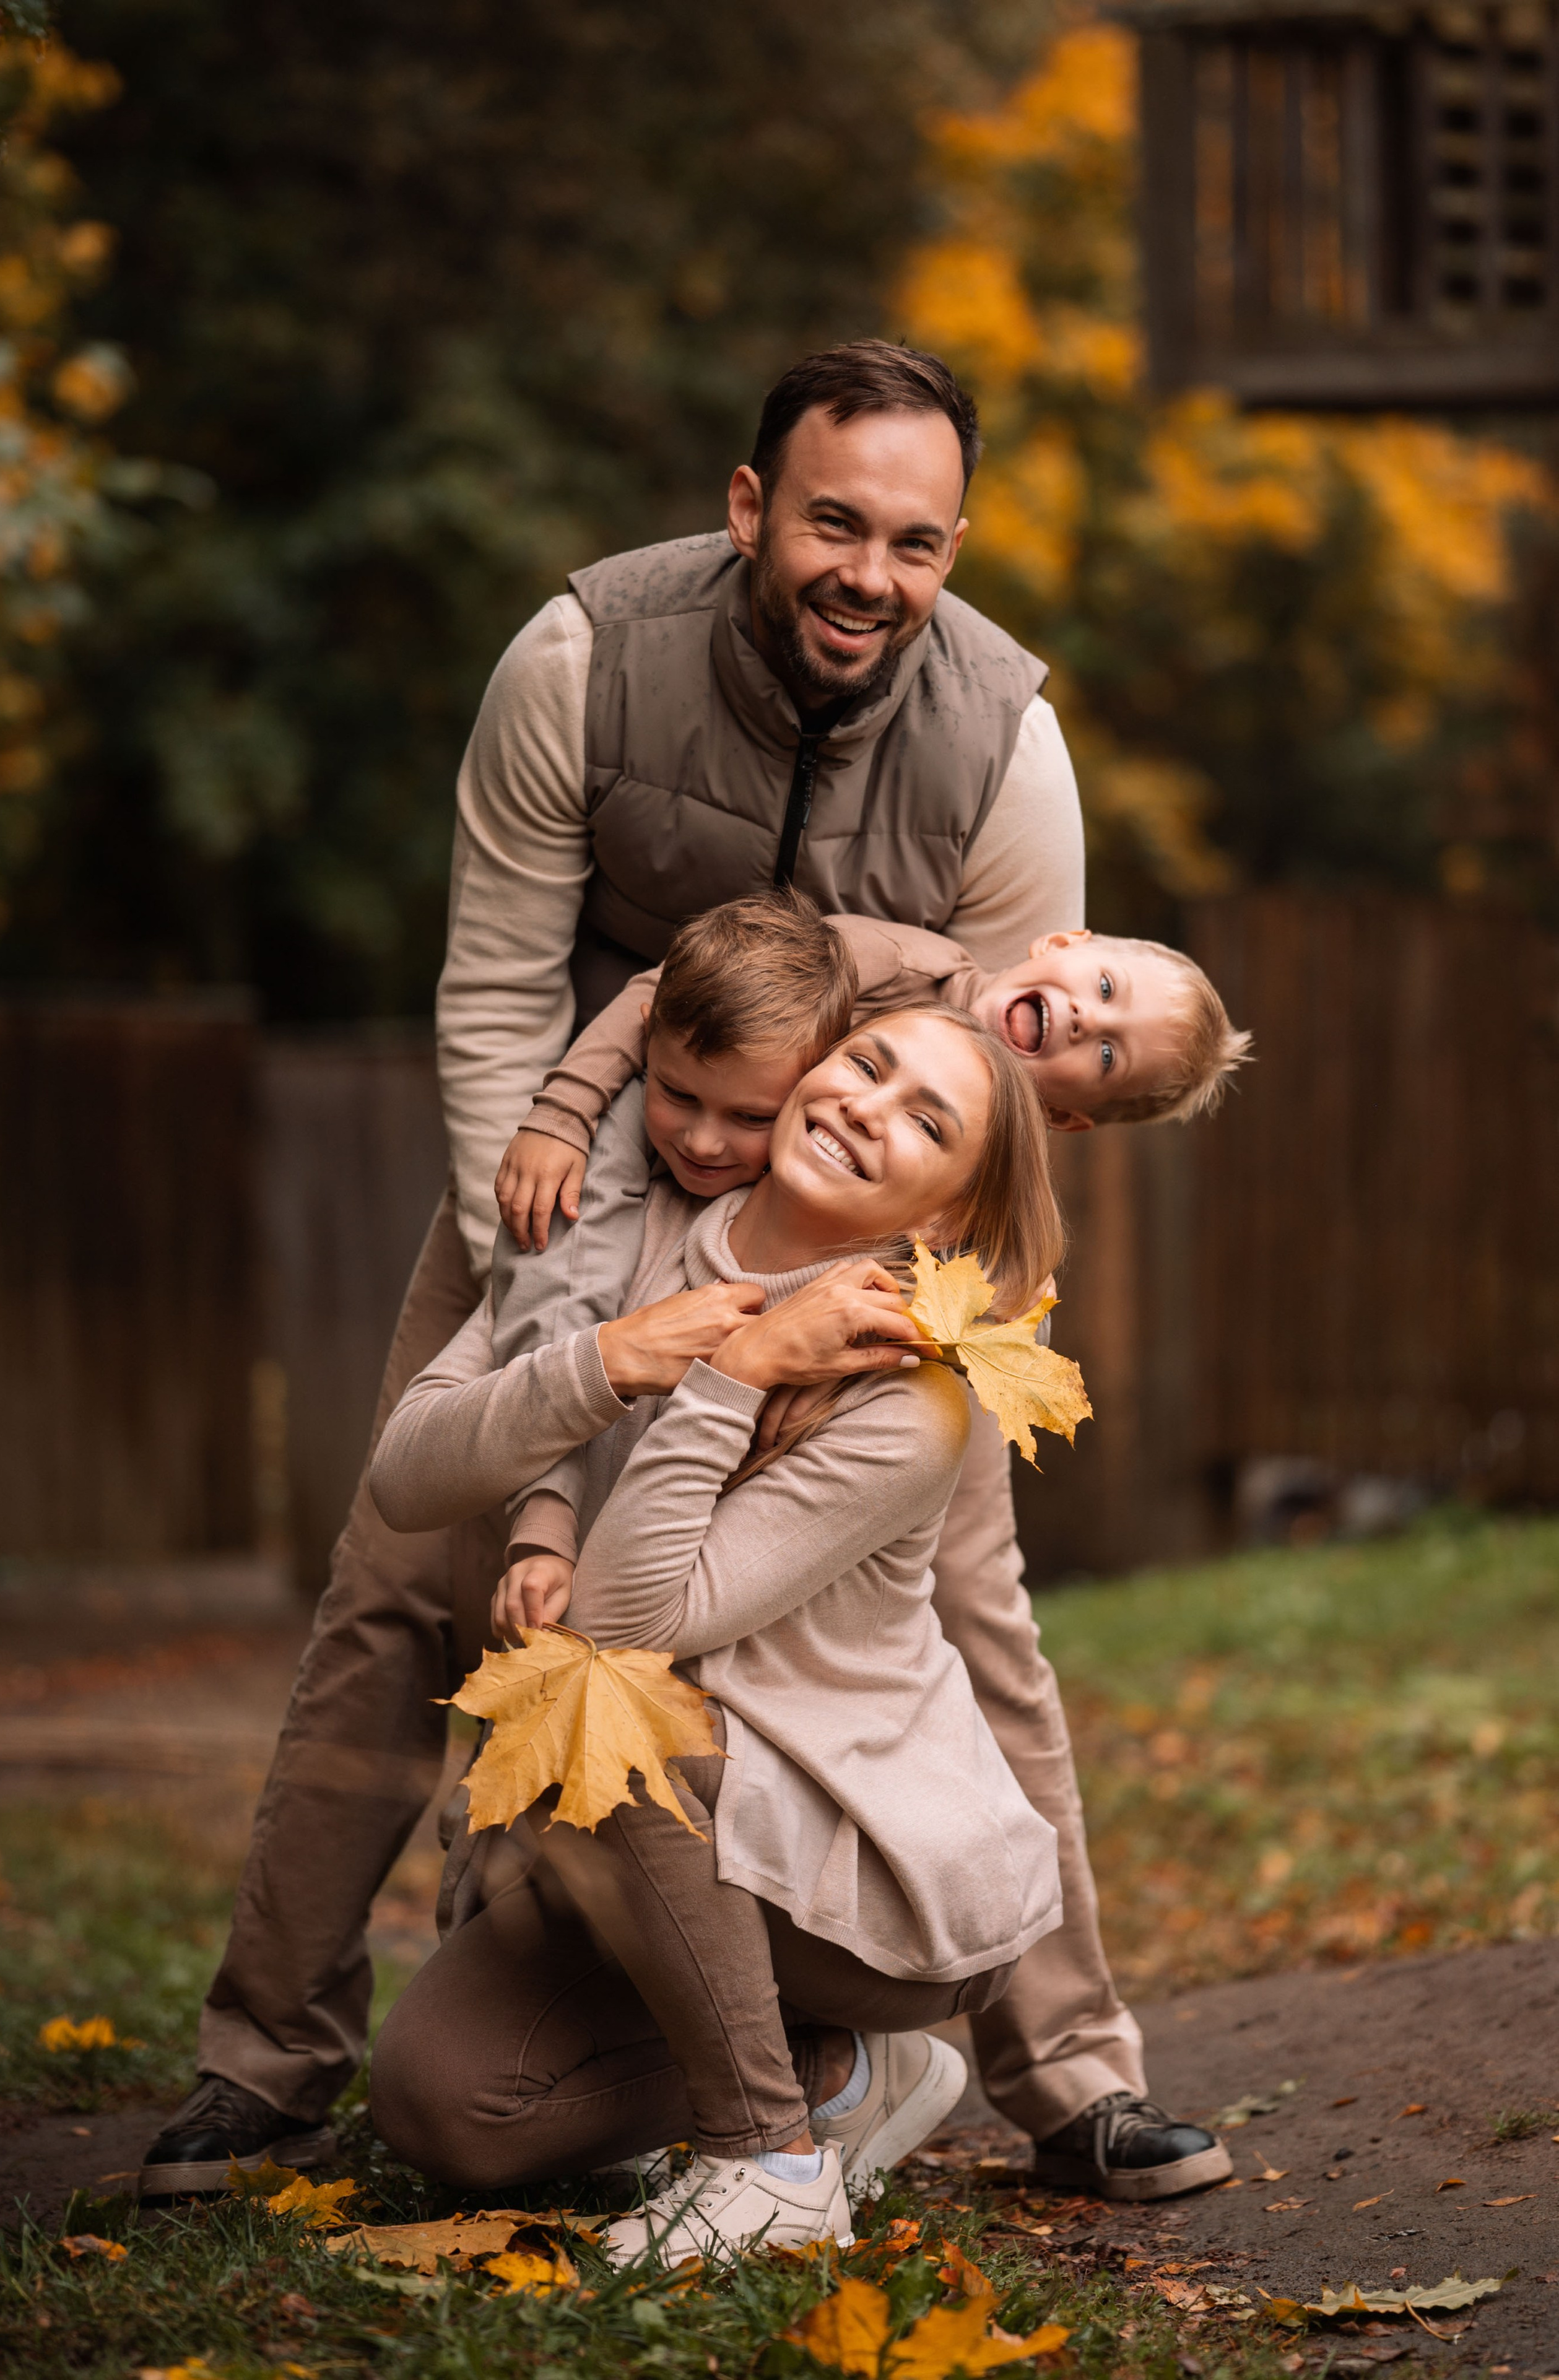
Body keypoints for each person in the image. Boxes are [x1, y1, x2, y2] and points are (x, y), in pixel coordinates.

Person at [138, 336, 1223, 2203]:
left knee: (979, 1619)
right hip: (570, 1180)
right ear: (747, 508)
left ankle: (1061, 2068)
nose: (866, 575)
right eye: (830, 522)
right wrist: (555, 1281)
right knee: (399, 1591)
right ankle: (267, 2062)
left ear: (949, 551)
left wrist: (928, 1344)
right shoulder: (582, 656)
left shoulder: (1004, 737)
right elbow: (495, 980)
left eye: (914, 541)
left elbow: (1002, 1072)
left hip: (873, 1209)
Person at [368, 1002, 1068, 2261]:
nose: (867, 1103)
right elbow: (407, 1475)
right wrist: (608, 1355)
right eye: (865, 1062)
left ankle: (768, 2157)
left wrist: (734, 1372)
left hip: (868, 1870)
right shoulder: (613, 1233)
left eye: (925, 1120)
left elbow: (625, 1625)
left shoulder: (909, 1394)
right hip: (667, 1839)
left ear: (941, 1220)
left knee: (611, 1703)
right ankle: (844, 2075)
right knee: (444, 2101)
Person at [495, 914, 1251, 1256]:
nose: (1089, 1019)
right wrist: (561, 1115)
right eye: (1106, 987)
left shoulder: (969, 1184)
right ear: (1059, 943)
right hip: (654, 1143)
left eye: (1111, 1056)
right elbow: (669, 996)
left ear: (1065, 1115)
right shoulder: (891, 963)